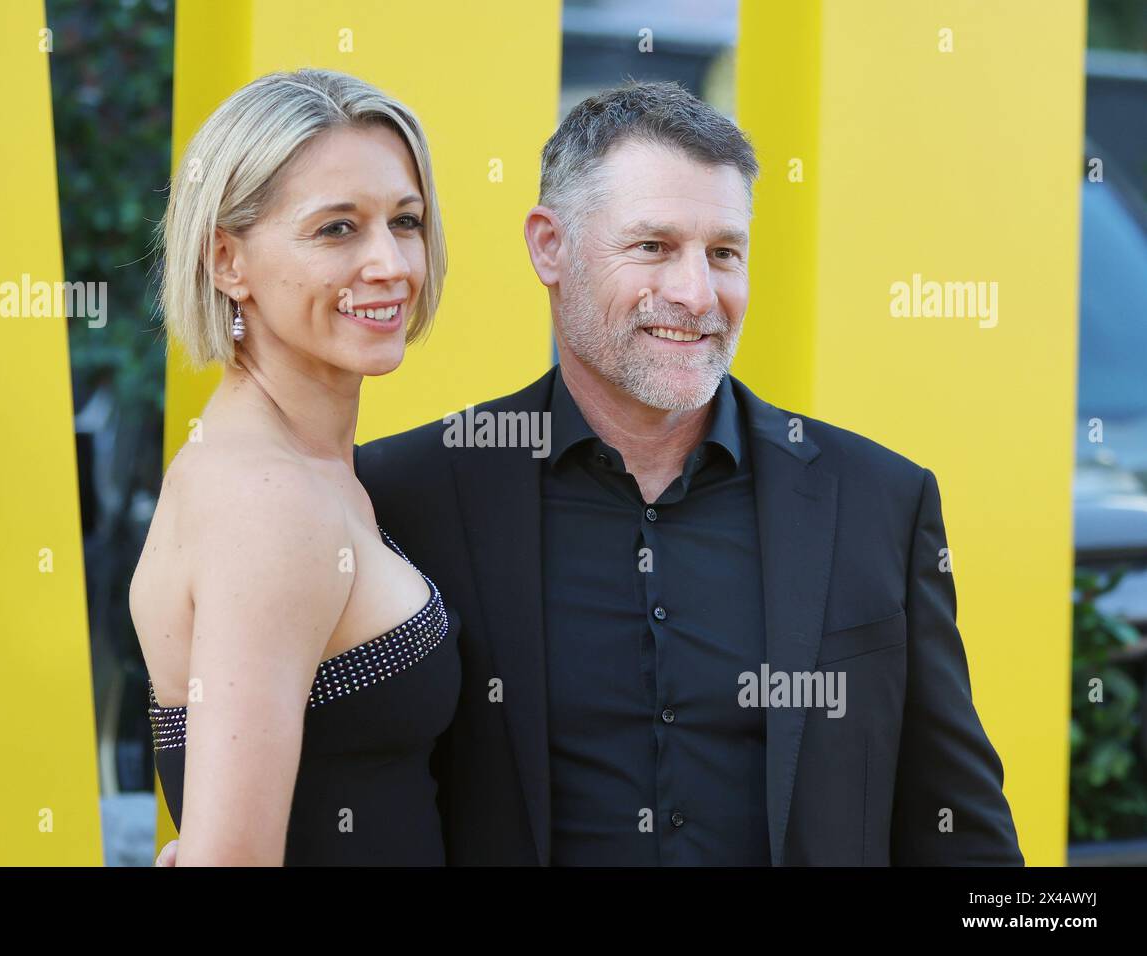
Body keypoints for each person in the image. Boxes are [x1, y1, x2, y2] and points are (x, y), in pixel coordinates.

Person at [157, 79, 1024, 867]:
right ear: (550, 248)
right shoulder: (402, 497)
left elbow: (962, 834)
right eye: (651, 245)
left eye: (724, 252)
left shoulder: (879, 500)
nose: (695, 292)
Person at [131, 68, 458, 866]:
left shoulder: (304, 468)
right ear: (227, 262)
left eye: (405, 221)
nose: (389, 263)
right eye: (336, 229)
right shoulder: (267, 502)